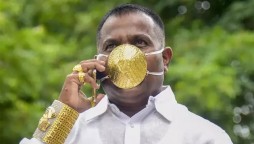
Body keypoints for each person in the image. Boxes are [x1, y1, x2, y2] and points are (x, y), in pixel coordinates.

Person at [20, 4, 233, 144]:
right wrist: (62, 114)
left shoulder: (205, 137)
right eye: (111, 46)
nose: (125, 57)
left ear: (165, 59)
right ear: (97, 60)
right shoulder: (66, 133)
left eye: (140, 43)